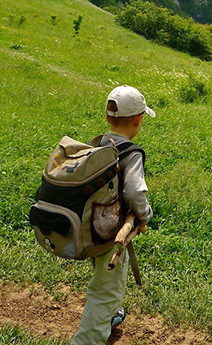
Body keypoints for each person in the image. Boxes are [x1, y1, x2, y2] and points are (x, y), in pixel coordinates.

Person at [71, 85, 155, 345]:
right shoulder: (131, 152)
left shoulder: (96, 143)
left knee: (103, 278)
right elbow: (134, 191)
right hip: (112, 233)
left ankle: (108, 318)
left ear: (108, 118)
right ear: (139, 120)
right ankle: (88, 340)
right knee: (105, 292)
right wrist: (145, 215)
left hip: (90, 227)